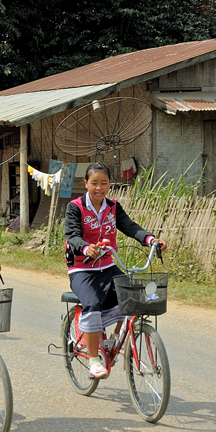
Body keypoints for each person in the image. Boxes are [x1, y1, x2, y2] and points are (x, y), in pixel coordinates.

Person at [64, 162, 166, 379]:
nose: (99, 188)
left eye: (104, 183)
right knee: (92, 304)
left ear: (110, 184)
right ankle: (93, 360)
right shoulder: (75, 206)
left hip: (108, 265)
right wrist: (84, 247)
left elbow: (129, 226)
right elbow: (71, 234)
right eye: (94, 183)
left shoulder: (113, 206)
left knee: (133, 296)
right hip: (82, 269)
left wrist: (150, 239)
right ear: (86, 184)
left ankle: (115, 338)